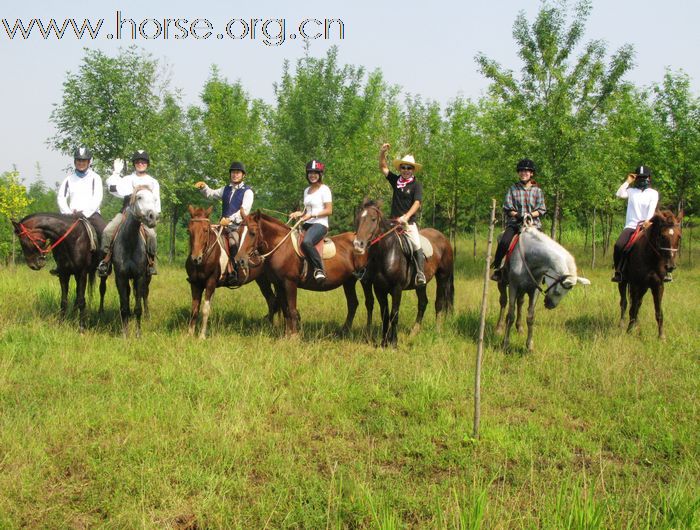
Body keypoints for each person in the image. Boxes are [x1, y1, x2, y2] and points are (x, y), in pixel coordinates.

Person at [97, 150, 160, 277]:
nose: (140, 164)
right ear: (134, 164)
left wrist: (155, 215)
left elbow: (156, 201)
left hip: (145, 217)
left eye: (143, 162)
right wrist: (116, 173)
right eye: (137, 162)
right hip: (126, 213)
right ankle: (106, 261)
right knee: (107, 231)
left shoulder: (153, 181)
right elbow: (111, 187)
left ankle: (151, 262)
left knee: (152, 236)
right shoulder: (127, 179)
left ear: (147, 164)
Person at [194, 161, 254, 280]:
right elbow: (211, 194)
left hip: (238, 226)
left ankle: (235, 271)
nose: (235, 175)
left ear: (243, 175)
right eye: (233, 172)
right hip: (222, 224)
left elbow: (244, 211)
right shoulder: (225, 189)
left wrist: (229, 219)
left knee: (233, 242)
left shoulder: (248, 191)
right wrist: (204, 187)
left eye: (237, 173)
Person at [490, 158, 547, 281]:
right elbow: (507, 207)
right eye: (521, 171)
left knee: (545, 245)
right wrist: (518, 215)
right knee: (504, 242)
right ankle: (499, 269)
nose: (523, 173)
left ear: (531, 173)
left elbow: (541, 209)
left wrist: (530, 215)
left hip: (533, 225)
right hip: (515, 224)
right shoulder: (512, 189)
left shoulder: (538, 191)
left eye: (526, 171)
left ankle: (544, 272)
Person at [378, 143, 426, 285]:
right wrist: (382, 153)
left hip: (408, 223)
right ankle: (367, 270)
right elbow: (383, 167)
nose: (406, 170)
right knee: (376, 240)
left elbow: (417, 203)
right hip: (392, 222)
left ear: (413, 170)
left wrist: (406, 217)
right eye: (403, 167)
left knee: (416, 244)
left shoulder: (416, 185)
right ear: (400, 168)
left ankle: (420, 273)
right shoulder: (396, 181)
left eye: (409, 168)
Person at [53, 147, 105, 274]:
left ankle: (103, 263)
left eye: (84, 161)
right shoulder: (68, 179)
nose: (81, 163)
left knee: (105, 232)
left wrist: (86, 212)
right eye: (78, 161)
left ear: (89, 162)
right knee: (55, 235)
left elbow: (97, 197)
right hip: (72, 215)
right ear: (75, 162)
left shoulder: (95, 178)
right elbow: (61, 198)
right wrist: (67, 212)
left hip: (91, 214)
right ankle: (59, 264)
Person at [612, 165, 665, 282]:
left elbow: (651, 209)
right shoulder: (631, 191)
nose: (642, 179)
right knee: (618, 245)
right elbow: (619, 194)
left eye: (644, 177)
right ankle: (618, 272)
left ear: (649, 178)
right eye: (639, 177)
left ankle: (665, 272)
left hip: (648, 226)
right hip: (631, 226)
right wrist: (628, 181)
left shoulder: (653, 193)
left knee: (664, 243)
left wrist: (648, 221)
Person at [289, 160, 333, 281]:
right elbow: (306, 211)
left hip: (320, 224)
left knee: (306, 242)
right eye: (310, 173)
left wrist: (312, 214)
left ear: (320, 174)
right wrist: (298, 214)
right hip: (307, 223)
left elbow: (329, 210)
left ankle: (319, 270)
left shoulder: (325, 189)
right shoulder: (306, 190)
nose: (312, 175)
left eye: (315, 173)